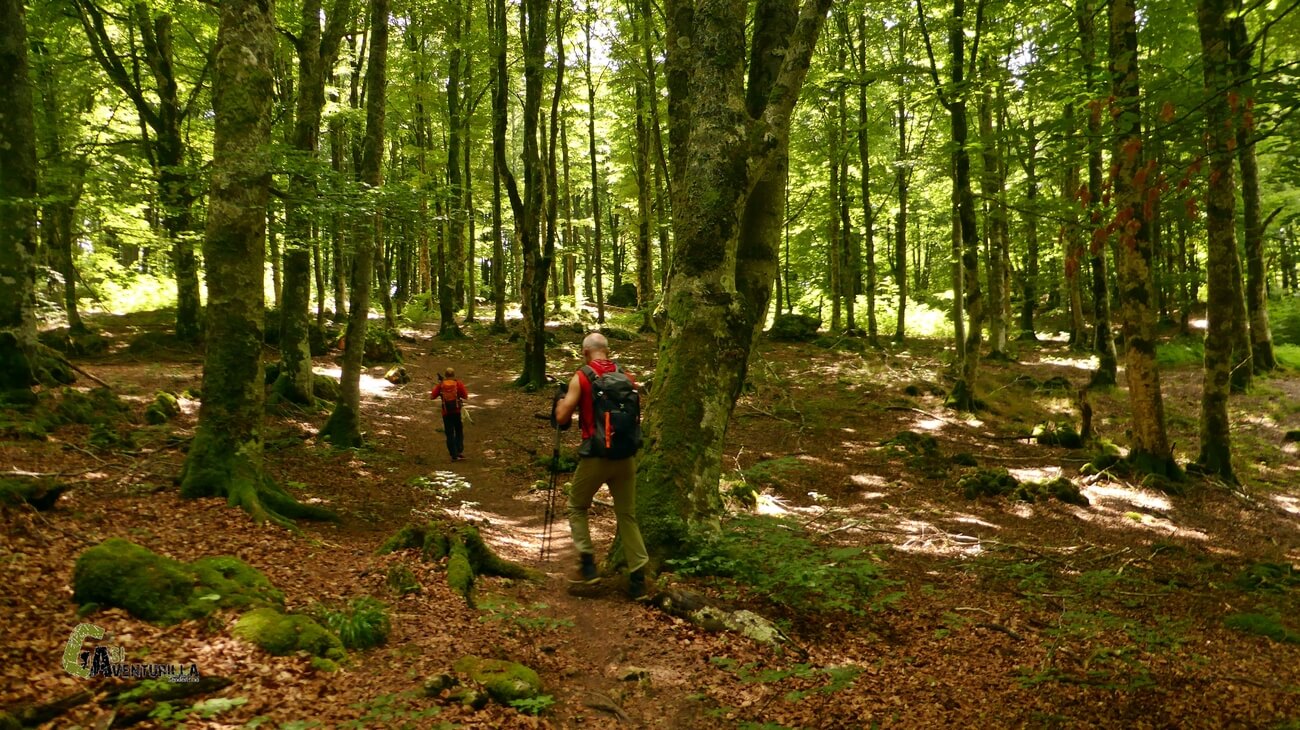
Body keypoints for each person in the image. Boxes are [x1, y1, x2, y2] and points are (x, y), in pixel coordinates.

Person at [552, 333, 650, 599]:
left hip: (595, 456)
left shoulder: (582, 376)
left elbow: (562, 417)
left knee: (576, 506)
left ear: (585, 352)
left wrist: (560, 400)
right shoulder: (626, 376)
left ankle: (588, 568)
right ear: (607, 351)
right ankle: (639, 579)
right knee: (627, 515)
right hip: (626, 456)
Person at [433, 368, 468, 461]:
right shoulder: (458, 384)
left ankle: (453, 454)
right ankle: (459, 450)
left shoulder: (441, 385)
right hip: (456, 411)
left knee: (449, 433)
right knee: (459, 431)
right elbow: (465, 395)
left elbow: (432, 396)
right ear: (453, 375)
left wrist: (441, 391)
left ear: (445, 375)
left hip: (446, 412)